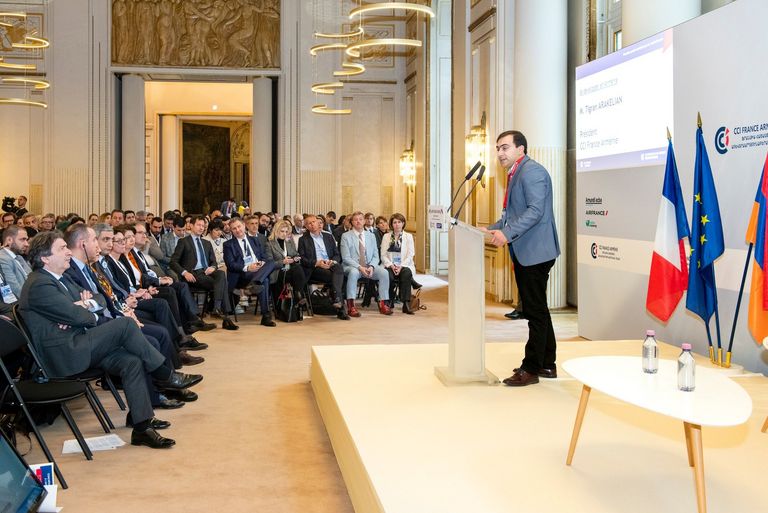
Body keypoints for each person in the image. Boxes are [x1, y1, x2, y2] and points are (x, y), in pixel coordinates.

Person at [19, 231, 200, 448]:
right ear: (45, 258)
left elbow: (99, 298)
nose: (68, 252)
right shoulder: (40, 284)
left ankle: (142, 427)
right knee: (125, 324)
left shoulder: (60, 278)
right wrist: (82, 311)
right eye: (62, 248)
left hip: (80, 341)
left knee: (131, 361)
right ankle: (165, 375)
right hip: (64, 354)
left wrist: (84, 305)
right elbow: (79, 316)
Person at [481, 130, 560, 387]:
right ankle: (547, 363)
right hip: (528, 250)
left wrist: (506, 233)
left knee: (534, 312)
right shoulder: (516, 173)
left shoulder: (532, 172)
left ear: (520, 149)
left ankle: (531, 369)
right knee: (539, 309)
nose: (500, 153)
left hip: (536, 252)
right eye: (498, 148)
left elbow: (535, 211)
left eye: (505, 147)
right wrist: (490, 228)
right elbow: (511, 217)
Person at [171, 216, 239, 330]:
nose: (201, 228)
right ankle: (225, 317)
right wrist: (184, 273)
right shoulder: (184, 241)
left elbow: (214, 262)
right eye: (198, 225)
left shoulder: (206, 243)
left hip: (207, 273)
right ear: (191, 225)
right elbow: (173, 262)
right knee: (223, 283)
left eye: (203, 226)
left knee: (221, 274)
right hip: (193, 274)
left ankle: (217, 307)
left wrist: (213, 267)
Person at [223, 218, 277, 327]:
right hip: (241, 275)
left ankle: (255, 282)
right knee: (265, 281)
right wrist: (248, 268)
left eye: (239, 226)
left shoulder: (254, 240)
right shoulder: (228, 244)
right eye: (234, 228)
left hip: (258, 271)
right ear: (231, 231)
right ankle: (266, 316)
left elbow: (264, 257)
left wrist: (261, 263)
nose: (238, 230)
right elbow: (230, 264)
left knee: (272, 263)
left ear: (244, 226)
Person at [339, 211, 392, 317]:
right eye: (355, 220)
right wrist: (360, 267)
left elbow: (376, 256)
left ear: (364, 221)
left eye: (360, 219)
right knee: (354, 273)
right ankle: (351, 306)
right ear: (352, 222)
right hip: (352, 266)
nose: (358, 221)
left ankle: (383, 304)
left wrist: (372, 266)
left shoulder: (371, 236)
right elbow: (346, 258)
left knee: (384, 273)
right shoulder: (346, 236)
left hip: (369, 266)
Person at [297, 215, 348, 320]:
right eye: (309, 223)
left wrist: (332, 261)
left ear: (318, 222)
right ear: (306, 226)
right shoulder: (303, 239)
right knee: (338, 277)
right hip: (315, 268)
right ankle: (340, 306)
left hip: (330, 264)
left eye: (314, 222)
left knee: (339, 268)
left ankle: (337, 300)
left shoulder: (328, 236)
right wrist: (317, 263)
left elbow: (336, 254)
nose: (312, 224)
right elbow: (302, 259)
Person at [380, 213, 416, 314]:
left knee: (406, 273)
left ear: (403, 223)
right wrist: (391, 265)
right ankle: (389, 300)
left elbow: (411, 254)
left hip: (404, 264)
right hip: (390, 264)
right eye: (394, 222)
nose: (397, 224)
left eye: (399, 222)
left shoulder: (408, 236)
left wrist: (401, 266)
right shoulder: (386, 236)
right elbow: (383, 255)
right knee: (387, 275)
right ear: (391, 224)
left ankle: (406, 303)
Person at [265, 219, 306, 307]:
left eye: (286, 232)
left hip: (291, 269)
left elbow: (295, 254)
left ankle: (298, 294)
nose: (284, 234)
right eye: (282, 231)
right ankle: (299, 295)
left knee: (298, 268)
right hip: (277, 272)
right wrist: (283, 262)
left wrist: (295, 258)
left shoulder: (289, 241)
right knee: (298, 270)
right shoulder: (269, 244)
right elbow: (269, 263)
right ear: (276, 231)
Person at [0, 225, 31, 298]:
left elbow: (32, 278)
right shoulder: (2, 259)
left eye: (26, 240)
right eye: (22, 239)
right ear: (9, 240)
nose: (27, 244)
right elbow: (15, 291)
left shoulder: (19, 257)